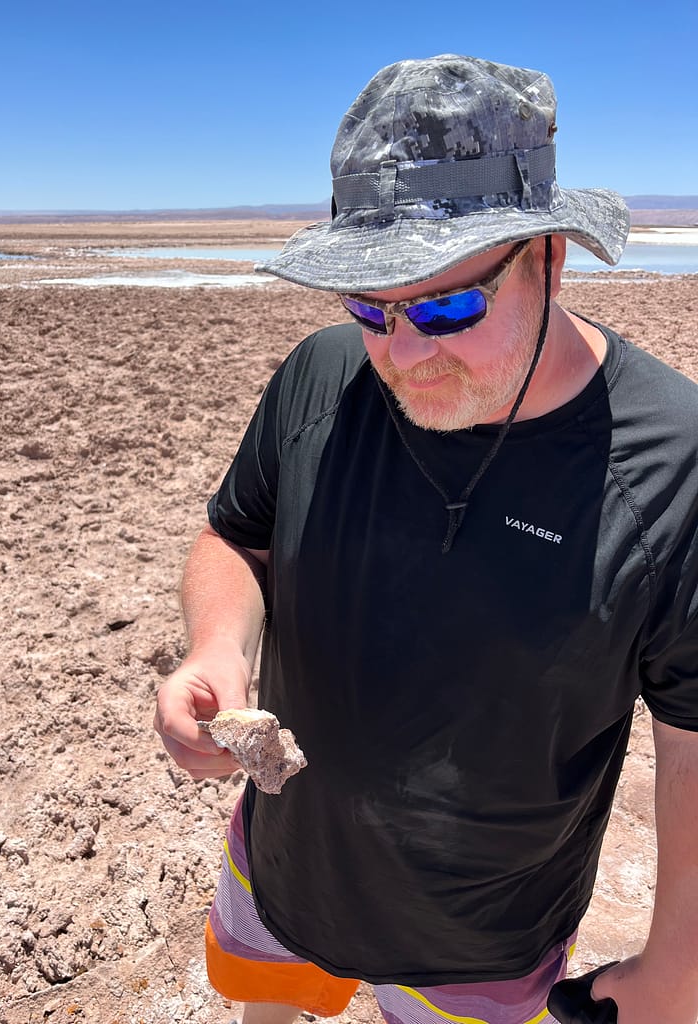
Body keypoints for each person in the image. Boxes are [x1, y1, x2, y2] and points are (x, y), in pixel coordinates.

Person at [154, 55, 698, 1024]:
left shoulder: (672, 469)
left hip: (486, 932)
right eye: (370, 306)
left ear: (549, 257)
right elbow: (238, 537)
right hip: (284, 870)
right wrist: (218, 646)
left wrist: (677, 967)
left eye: (448, 307)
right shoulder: (322, 378)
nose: (404, 352)